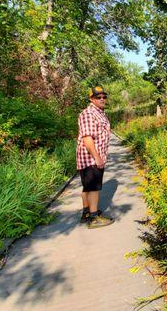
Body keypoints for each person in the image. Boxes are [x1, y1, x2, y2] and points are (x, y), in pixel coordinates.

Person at [76, 86, 114, 229]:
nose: (102, 99)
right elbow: (87, 138)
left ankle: (86, 213)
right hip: (91, 157)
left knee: (88, 186)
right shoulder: (89, 114)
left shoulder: (99, 113)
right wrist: (97, 158)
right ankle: (94, 217)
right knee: (93, 188)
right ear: (91, 99)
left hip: (94, 156)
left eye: (104, 96)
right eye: (98, 97)